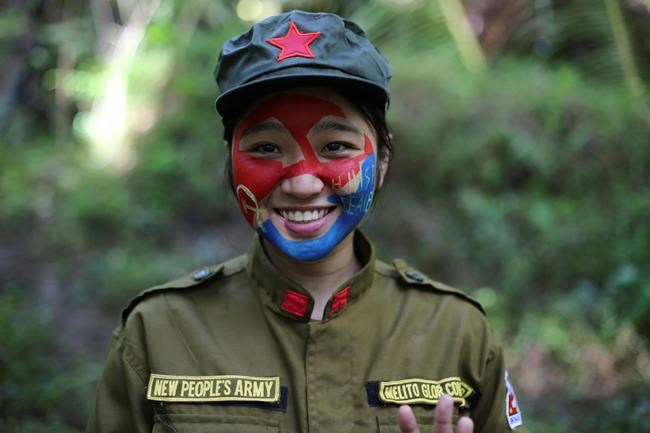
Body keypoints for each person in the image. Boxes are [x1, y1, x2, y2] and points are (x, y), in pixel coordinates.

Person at [86, 10, 528, 433]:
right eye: (266, 148)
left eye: (336, 146)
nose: (301, 184)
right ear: (230, 162)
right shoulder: (157, 332)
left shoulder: (459, 334)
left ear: (383, 161)